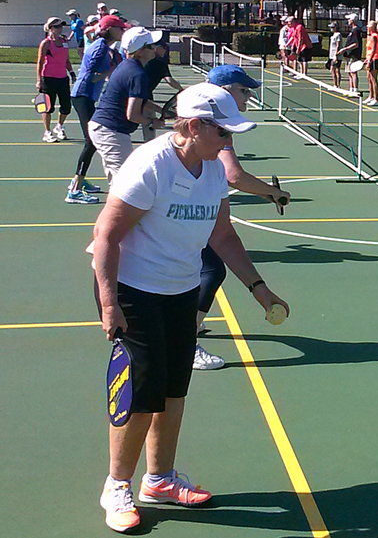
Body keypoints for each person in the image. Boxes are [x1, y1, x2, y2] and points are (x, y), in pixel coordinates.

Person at [91, 82, 290, 533]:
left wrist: (260, 289)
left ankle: (159, 479)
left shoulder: (214, 170)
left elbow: (222, 236)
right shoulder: (150, 166)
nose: (229, 142)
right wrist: (108, 302)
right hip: (133, 289)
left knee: (174, 391)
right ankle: (116, 484)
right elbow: (107, 235)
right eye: (223, 133)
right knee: (140, 394)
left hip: (179, 290)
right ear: (194, 126)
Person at [193, 65, 291, 370]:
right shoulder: (211, 131)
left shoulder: (214, 141)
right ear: (226, 91)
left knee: (211, 269)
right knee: (208, 272)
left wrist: (259, 289)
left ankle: (185, 332)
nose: (248, 98)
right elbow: (234, 175)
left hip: (188, 222)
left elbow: (223, 230)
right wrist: (272, 193)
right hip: (143, 260)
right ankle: (185, 341)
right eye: (244, 90)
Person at [89, 27, 164, 183]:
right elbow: (133, 114)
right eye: (151, 46)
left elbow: (139, 101)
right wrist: (152, 122)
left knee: (118, 183)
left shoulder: (128, 66)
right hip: (110, 131)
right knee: (126, 183)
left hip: (104, 128)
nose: (155, 48)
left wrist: (162, 110)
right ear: (140, 52)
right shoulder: (138, 74)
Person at [67, 15, 129, 203]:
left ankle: (80, 181)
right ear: (110, 29)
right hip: (82, 96)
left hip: (87, 96)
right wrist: (113, 70)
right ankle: (74, 189)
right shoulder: (100, 48)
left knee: (93, 140)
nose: (122, 31)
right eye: (120, 28)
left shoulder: (104, 46)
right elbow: (89, 76)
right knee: (91, 141)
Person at [36, 17, 76, 143]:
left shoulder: (64, 41)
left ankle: (59, 126)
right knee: (48, 107)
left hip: (62, 78)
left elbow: (66, 60)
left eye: (61, 26)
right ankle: (47, 132)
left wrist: (72, 73)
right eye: (57, 27)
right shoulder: (46, 43)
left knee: (66, 106)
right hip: (48, 79)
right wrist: (39, 79)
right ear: (51, 28)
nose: (60, 29)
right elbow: (40, 62)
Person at [141, 31, 184, 142]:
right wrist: (182, 90)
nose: (166, 50)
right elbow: (169, 80)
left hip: (143, 96)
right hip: (144, 96)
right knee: (149, 124)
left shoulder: (143, 60)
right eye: (164, 47)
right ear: (158, 48)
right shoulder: (160, 63)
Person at [337, 15, 364, 96]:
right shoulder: (352, 30)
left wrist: (344, 49)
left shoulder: (356, 31)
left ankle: (355, 90)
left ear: (352, 20)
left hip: (354, 55)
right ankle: (351, 89)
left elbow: (356, 44)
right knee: (349, 72)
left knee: (353, 72)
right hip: (349, 55)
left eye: (349, 19)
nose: (348, 20)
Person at [363, 20, 378, 106]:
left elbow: (374, 50)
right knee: (369, 78)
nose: (367, 27)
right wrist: (367, 59)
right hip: (370, 58)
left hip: (375, 59)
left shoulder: (374, 36)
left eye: (368, 26)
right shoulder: (371, 36)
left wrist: (370, 60)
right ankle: (370, 97)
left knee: (373, 79)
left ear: (371, 27)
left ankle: (376, 99)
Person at [327, 22, 343, 89]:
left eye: (332, 27)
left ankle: (338, 85)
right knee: (332, 69)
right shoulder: (333, 35)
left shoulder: (338, 35)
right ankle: (335, 84)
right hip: (331, 55)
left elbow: (338, 45)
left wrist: (336, 55)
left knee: (336, 69)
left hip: (336, 55)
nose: (331, 29)